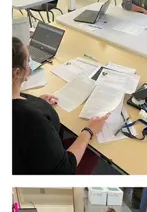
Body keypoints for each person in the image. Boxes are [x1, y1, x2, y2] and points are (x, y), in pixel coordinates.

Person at [12, 37, 109, 175]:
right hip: (43, 172)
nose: (31, 64)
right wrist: (89, 131)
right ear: (17, 73)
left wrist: (37, 102)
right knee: (94, 152)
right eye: (28, 61)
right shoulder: (31, 120)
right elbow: (65, 169)